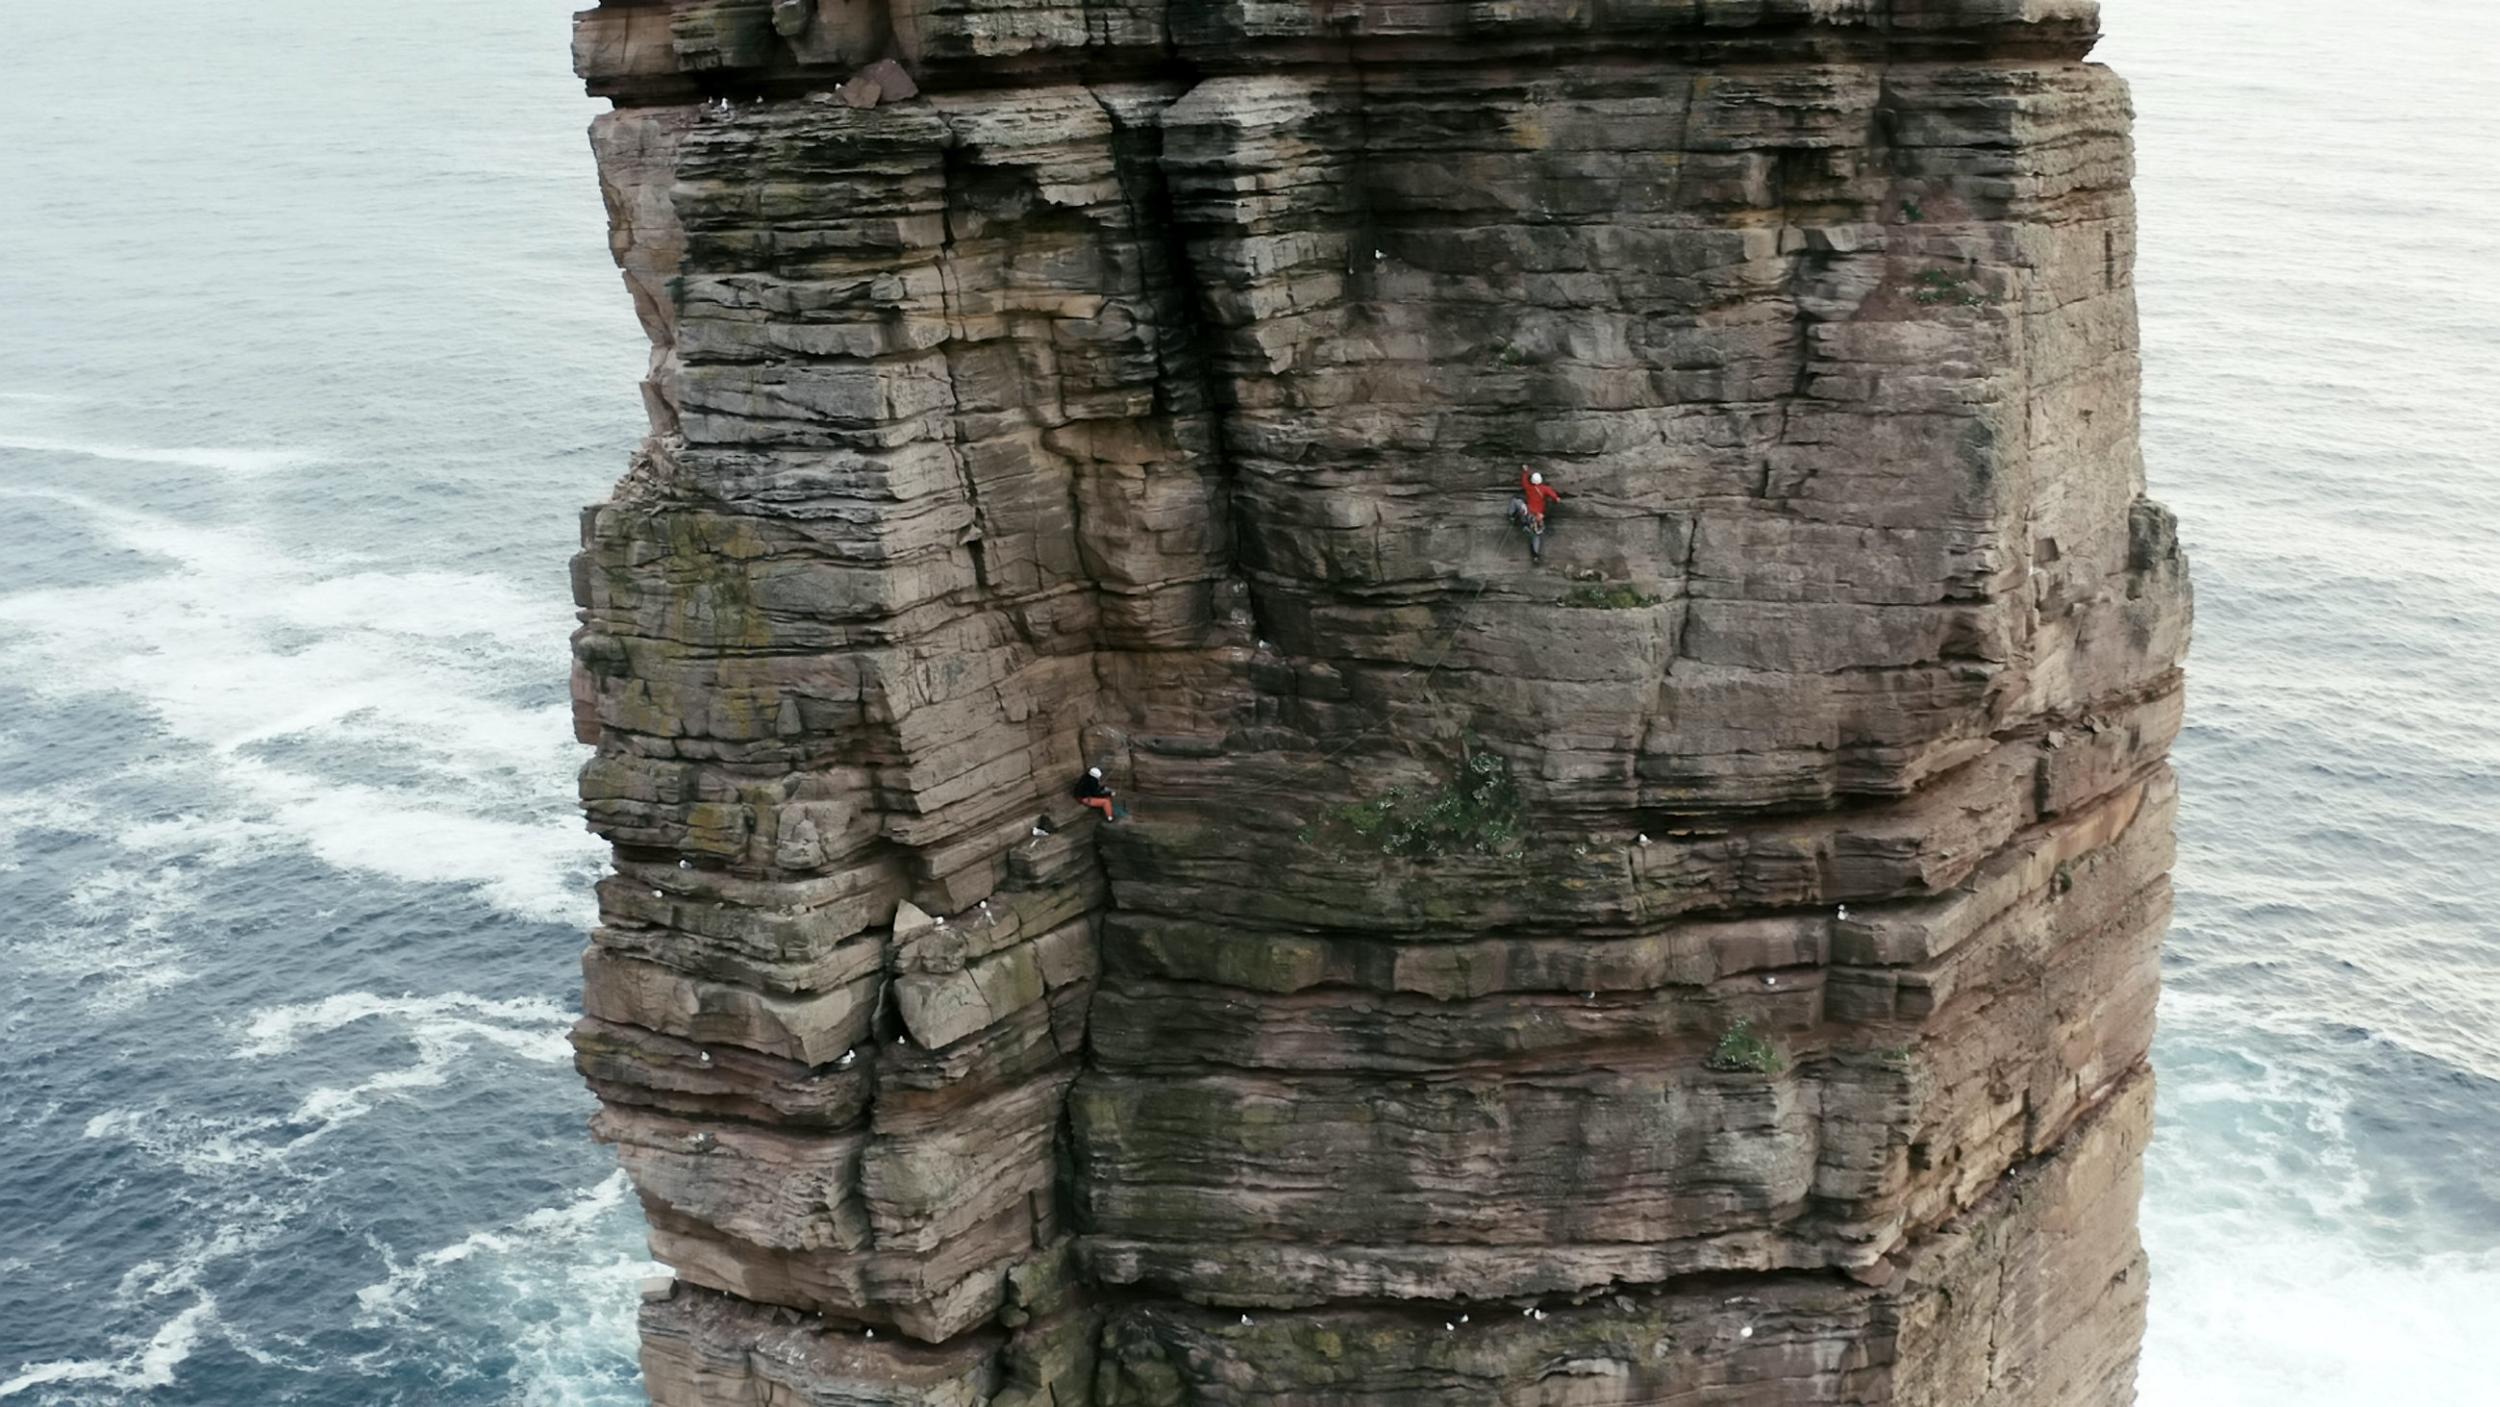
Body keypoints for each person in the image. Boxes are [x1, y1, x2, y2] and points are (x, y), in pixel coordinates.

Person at [1511, 469, 1561, 561]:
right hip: (1538, 517)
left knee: (1516, 501)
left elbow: (1524, 482)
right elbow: (1553, 495)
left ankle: (1512, 516)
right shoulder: (1545, 489)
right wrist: (1556, 498)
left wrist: (1525, 472)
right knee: (1536, 535)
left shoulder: (1529, 488)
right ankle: (1535, 555)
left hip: (1528, 514)